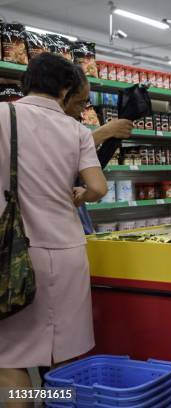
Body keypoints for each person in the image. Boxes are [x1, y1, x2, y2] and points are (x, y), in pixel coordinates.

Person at [0, 53, 107, 405]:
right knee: (64, 356)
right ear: (64, 90)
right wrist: (77, 195)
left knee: (11, 358)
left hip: (15, 256)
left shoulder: (3, 115)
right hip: (68, 254)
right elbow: (97, 187)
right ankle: (58, 400)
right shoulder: (76, 130)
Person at [63, 66, 133, 234]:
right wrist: (105, 132)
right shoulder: (63, 129)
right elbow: (98, 188)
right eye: (80, 102)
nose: (83, 109)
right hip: (64, 230)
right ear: (62, 95)